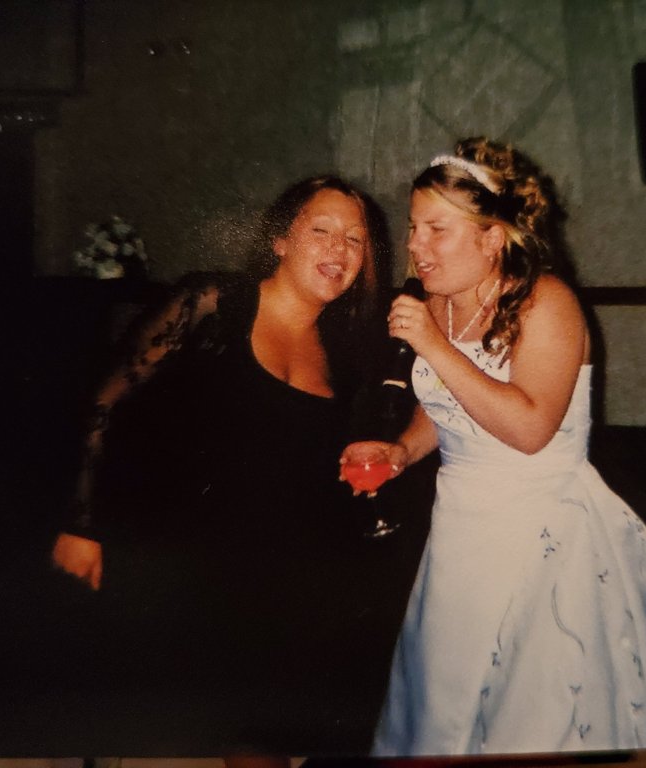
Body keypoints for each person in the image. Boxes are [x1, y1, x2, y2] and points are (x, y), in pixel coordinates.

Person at [340, 138, 646, 756]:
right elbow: (445, 405)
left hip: (543, 534)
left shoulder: (547, 302)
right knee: (448, 699)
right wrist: (402, 450)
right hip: (460, 531)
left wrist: (433, 347)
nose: (415, 246)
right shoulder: (440, 301)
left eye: (437, 229)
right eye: (413, 227)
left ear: (492, 238)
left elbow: (531, 429)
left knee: (535, 713)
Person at [49, 176, 416, 756]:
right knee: (240, 730)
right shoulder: (214, 303)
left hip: (289, 570)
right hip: (196, 563)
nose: (339, 249)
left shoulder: (346, 348)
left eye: (355, 239)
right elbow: (107, 400)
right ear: (280, 240)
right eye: (321, 230)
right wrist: (80, 524)